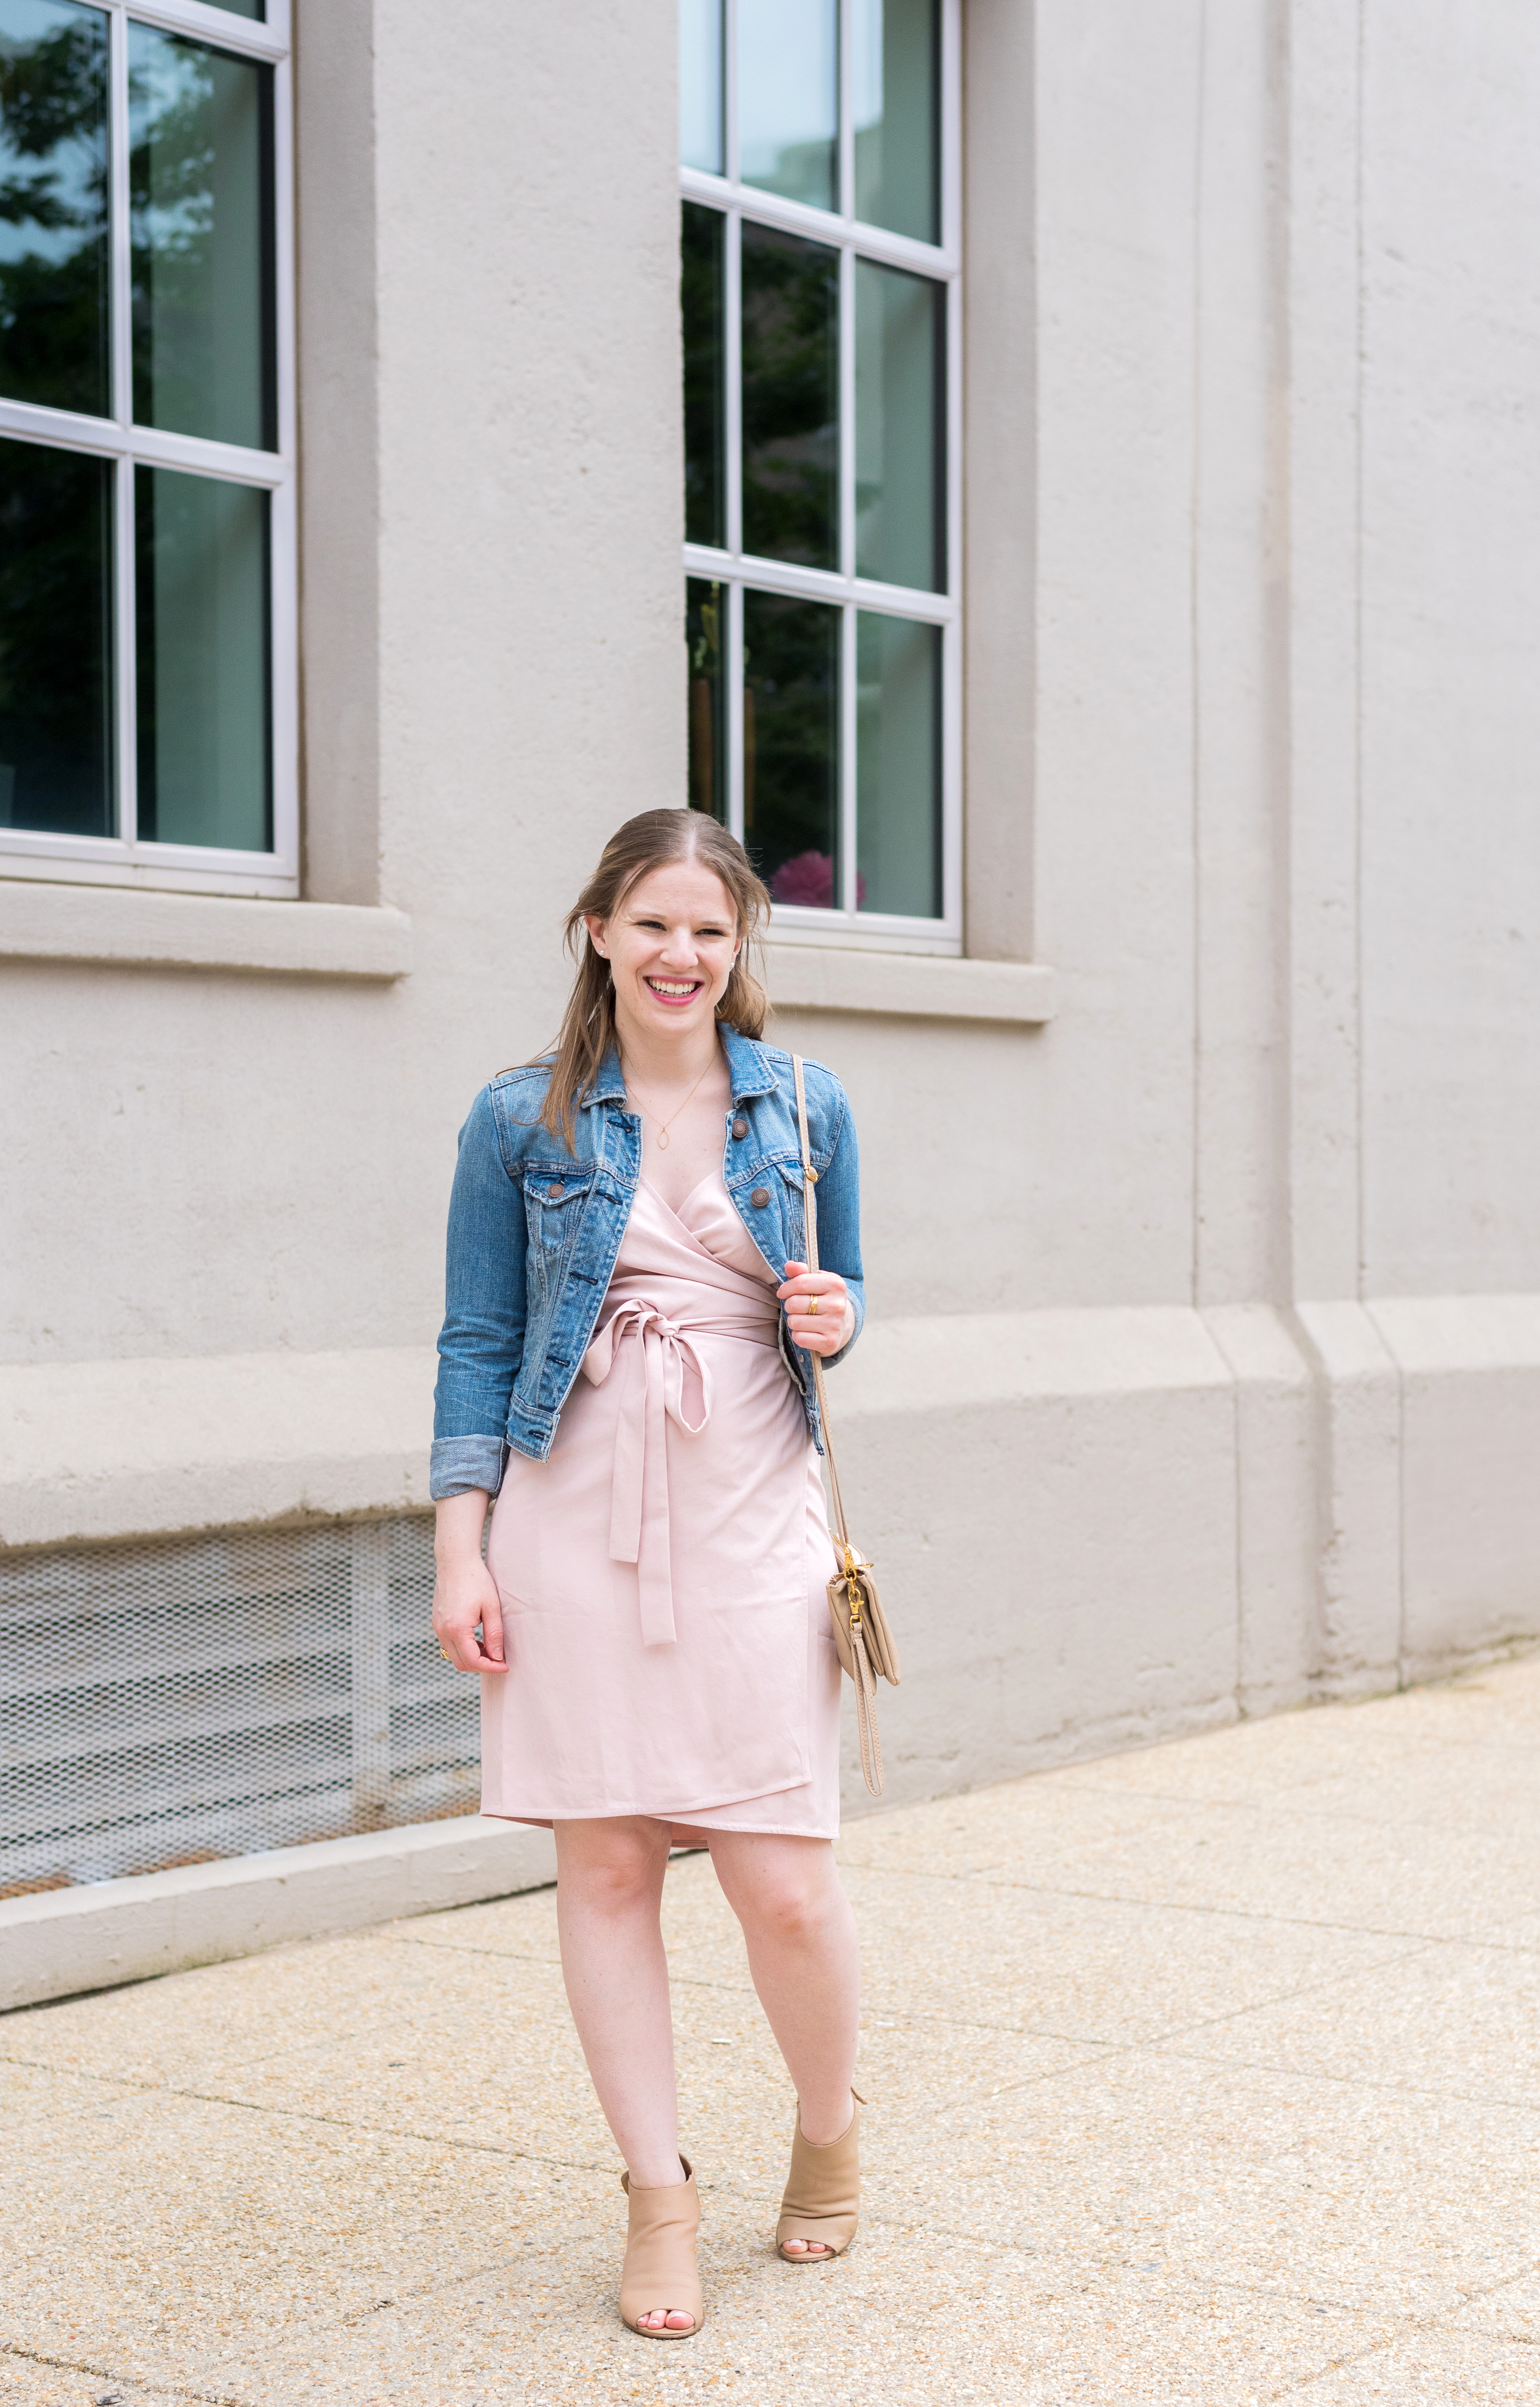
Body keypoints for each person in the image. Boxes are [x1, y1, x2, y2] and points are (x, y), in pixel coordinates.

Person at [429, 808, 866, 2341]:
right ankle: (657, 2193)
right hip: (573, 1521)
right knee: (606, 1867)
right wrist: (460, 1545)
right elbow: (478, 1341)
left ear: (738, 945)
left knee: (785, 1884)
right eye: (654, 923)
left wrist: (834, 1315)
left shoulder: (806, 1105)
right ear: (599, 930)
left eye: (709, 928)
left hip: (753, 1517)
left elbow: (844, 1295)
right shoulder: (516, 1118)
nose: (681, 954)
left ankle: (827, 2123)